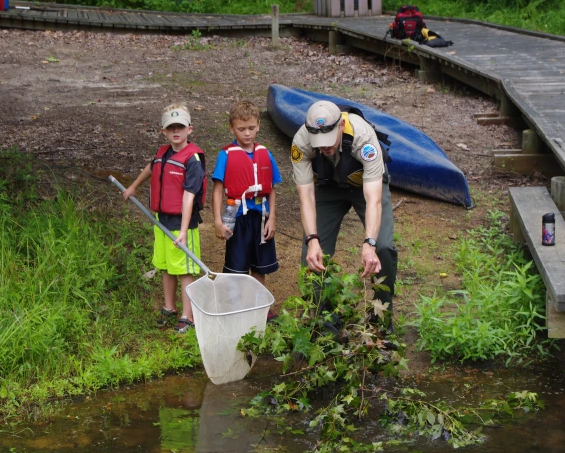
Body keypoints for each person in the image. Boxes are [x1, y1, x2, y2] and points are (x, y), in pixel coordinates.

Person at [290, 100, 397, 329]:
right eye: (320, 144)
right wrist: (312, 239)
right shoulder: (301, 143)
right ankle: (325, 323)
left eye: (328, 142)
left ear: (340, 126)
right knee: (312, 255)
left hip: (365, 186)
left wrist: (370, 242)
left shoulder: (363, 139)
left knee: (384, 247)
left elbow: (374, 199)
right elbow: (306, 197)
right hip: (328, 188)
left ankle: (381, 320)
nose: (325, 148)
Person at [123, 104, 207, 334]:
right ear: (164, 131)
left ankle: (187, 316)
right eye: (171, 128)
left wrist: (182, 230)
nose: (176, 131)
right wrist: (132, 187)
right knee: (166, 267)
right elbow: (152, 167)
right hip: (162, 220)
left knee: (184, 270)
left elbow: (189, 196)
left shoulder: (192, 160)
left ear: (190, 129)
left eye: (180, 127)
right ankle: (169, 308)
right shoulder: (163, 152)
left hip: (182, 223)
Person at [211, 101, 281, 306]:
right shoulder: (225, 155)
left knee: (259, 267)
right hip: (238, 218)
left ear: (258, 125)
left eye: (251, 128)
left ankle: (259, 307)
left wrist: (272, 218)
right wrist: (217, 220)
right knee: (236, 268)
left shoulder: (265, 154)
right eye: (241, 129)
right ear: (232, 128)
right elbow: (217, 190)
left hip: (261, 219)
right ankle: (235, 307)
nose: (247, 134)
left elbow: (271, 189)